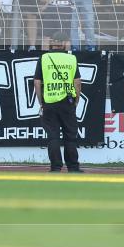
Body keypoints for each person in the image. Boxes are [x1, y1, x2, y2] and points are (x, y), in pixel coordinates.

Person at [33, 32, 82, 173]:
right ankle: (73, 167)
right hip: (67, 102)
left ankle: (55, 167)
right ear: (65, 43)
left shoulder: (44, 58)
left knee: (53, 136)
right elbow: (77, 83)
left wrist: (41, 101)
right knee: (70, 136)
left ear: (52, 42)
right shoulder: (71, 58)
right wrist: (76, 101)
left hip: (49, 102)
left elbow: (37, 82)